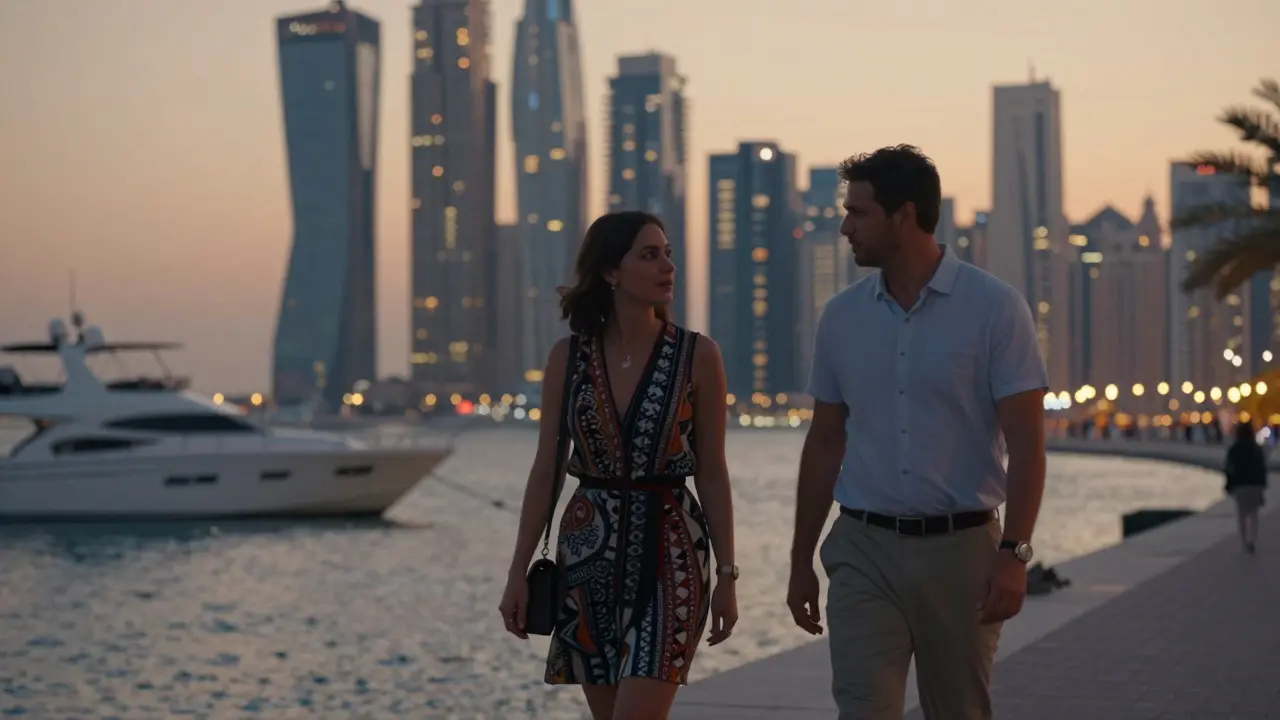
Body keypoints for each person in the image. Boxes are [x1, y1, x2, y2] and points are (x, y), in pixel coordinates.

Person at [785, 145, 1049, 719]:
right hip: (863, 549)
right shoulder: (842, 317)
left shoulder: (996, 309)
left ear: (903, 215)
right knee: (862, 708)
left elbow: (1027, 444)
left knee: (958, 710)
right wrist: (801, 559)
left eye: (858, 213)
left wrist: (1015, 554)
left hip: (962, 554)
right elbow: (826, 440)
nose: (844, 226)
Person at [499, 211, 739, 720]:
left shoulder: (698, 355)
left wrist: (728, 575)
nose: (667, 266)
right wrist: (517, 572)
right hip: (588, 555)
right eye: (649, 255)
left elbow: (713, 471)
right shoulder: (568, 358)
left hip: (673, 551)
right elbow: (547, 468)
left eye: (668, 253)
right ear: (611, 272)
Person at [1224, 419, 1267, 554]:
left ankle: (1244, 541)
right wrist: (1262, 485)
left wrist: (1229, 485)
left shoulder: (1234, 449)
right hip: (1254, 484)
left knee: (1242, 514)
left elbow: (1229, 468)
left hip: (1240, 485)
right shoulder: (1256, 449)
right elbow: (1261, 468)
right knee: (1254, 513)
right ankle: (1252, 540)